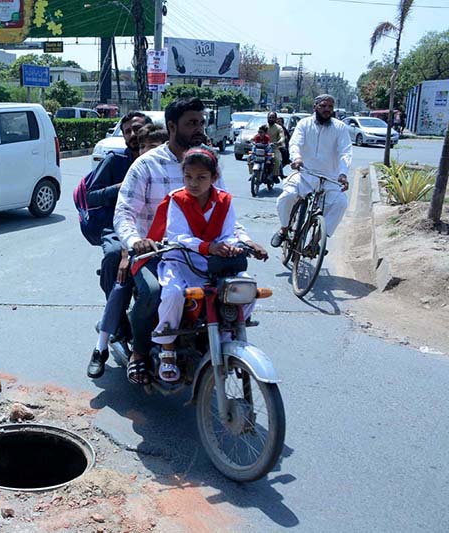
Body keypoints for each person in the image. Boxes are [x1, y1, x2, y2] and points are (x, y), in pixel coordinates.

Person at [114, 97, 268, 385]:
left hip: (205, 254)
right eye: (191, 123)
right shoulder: (147, 164)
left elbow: (224, 212)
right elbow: (124, 212)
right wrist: (136, 241)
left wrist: (245, 241)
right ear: (172, 126)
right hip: (158, 250)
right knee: (152, 292)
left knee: (239, 288)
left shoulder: (208, 162)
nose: (199, 128)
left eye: (201, 122)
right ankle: (141, 351)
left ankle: (220, 339)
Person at [141, 146, 240, 381]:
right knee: (173, 294)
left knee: (243, 290)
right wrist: (208, 247)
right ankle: (167, 348)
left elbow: (229, 232)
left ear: (214, 178)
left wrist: (233, 245)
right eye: (188, 177)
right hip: (180, 260)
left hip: (214, 263)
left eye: (201, 178)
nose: (193, 183)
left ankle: (228, 337)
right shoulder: (177, 199)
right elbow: (178, 237)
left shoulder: (225, 201)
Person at [86, 111, 153, 378]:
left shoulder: (165, 160)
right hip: (118, 228)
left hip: (155, 231)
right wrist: (123, 186)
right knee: (114, 255)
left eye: (138, 129)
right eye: (128, 131)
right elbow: (92, 196)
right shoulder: (116, 161)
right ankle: (116, 325)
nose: (134, 136)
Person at [270, 94, 352, 249]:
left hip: (329, 178)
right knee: (286, 197)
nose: (327, 110)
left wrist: (343, 173)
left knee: (341, 203)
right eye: (323, 106)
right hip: (304, 174)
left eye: (330, 107)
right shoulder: (304, 124)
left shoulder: (340, 128)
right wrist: (297, 158)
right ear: (315, 107)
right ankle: (284, 229)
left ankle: (316, 242)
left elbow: (345, 152)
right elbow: (295, 143)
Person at [266, 112, 286, 180]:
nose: (271, 119)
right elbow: (258, 134)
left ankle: (275, 175)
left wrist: (279, 141)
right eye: (270, 117)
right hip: (263, 148)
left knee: (277, 160)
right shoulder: (264, 127)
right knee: (250, 155)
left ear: (275, 119)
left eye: (273, 118)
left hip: (274, 148)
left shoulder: (279, 128)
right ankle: (255, 172)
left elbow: (282, 136)